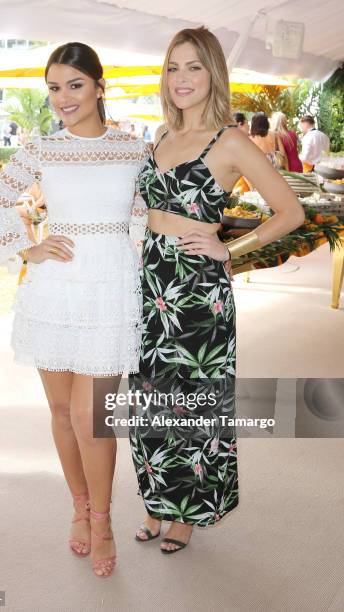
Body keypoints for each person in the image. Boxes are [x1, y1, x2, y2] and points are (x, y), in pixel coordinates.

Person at [129, 26, 304, 554]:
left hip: (196, 292)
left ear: (213, 74)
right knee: (152, 400)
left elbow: (290, 212)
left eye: (194, 67)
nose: (181, 79)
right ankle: (159, 498)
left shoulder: (228, 141)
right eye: (173, 67)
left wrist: (232, 248)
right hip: (152, 281)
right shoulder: (159, 134)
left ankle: (187, 514)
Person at [0, 42, 149, 578]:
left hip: (112, 290)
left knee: (90, 417)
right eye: (54, 88)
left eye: (75, 85)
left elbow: (148, 217)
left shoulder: (134, 150)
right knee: (60, 413)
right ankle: (78, 506)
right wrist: (28, 247)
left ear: (99, 86)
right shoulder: (41, 148)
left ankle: (102, 521)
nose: (63, 98)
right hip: (54, 290)